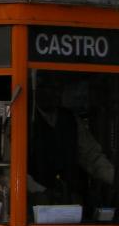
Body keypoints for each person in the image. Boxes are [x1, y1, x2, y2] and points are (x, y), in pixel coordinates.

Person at [28, 73, 114, 210]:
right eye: (51, 89)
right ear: (37, 90)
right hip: (35, 202)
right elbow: (12, 168)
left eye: (59, 89)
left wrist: (113, 177)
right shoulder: (25, 120)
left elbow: (91, 156)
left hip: (69, 198)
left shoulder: (71, 120)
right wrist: (39, 190)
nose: (56, 94)